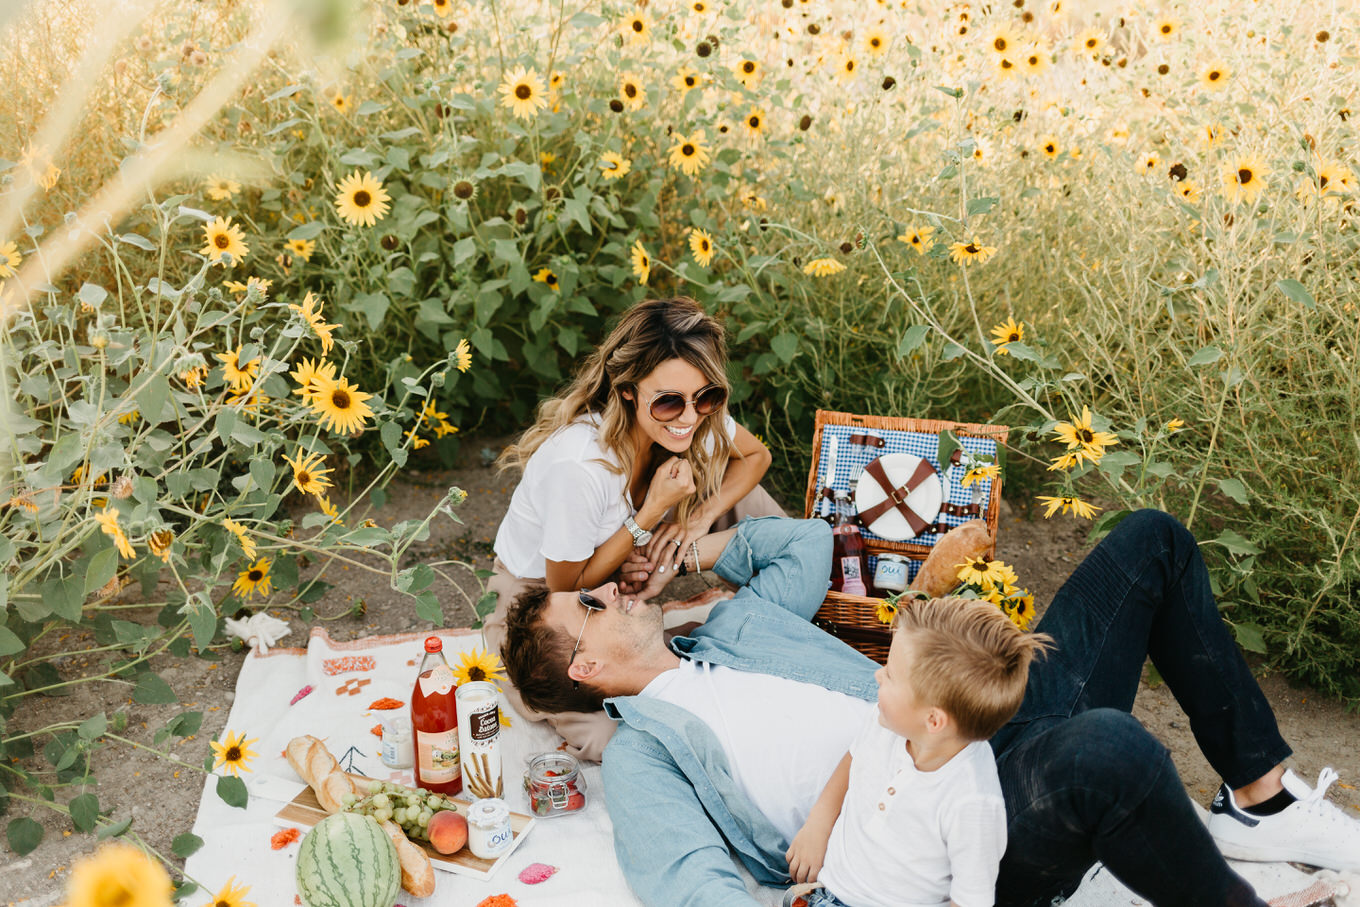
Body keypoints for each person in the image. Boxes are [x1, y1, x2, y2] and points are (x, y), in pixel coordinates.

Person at [500, 511, 1360, 907]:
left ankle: (1262, 800)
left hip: (978, 717)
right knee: (1112, 748)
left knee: (1151, 543)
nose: (612, 589)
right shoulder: (645, 754)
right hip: (936, 822)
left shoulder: (728, 623)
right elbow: (688, 882)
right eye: (594, 605)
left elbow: (806, 544)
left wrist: (695, 556)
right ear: (585, 665)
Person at [485, 297, 783, 761]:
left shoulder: (691, 408)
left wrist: (694, 518)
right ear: (627, 390)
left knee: (746, 497)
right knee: (608, 732)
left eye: (707, 396)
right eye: (667, 402)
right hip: (544, 596)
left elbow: (757, 457)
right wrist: (649, 516)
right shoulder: (579, 465)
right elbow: (568, 587)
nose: (689, 416)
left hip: (616, 564)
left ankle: (794, 609)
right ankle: (689, 658)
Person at [784, 597, 1051, 907]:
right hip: (829, 887)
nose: (877, 675)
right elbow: (854, 758)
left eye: (890, 675)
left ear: (933, 720)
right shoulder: (887, 723)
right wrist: (818, 824)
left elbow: (969, 901)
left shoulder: (972, 801)